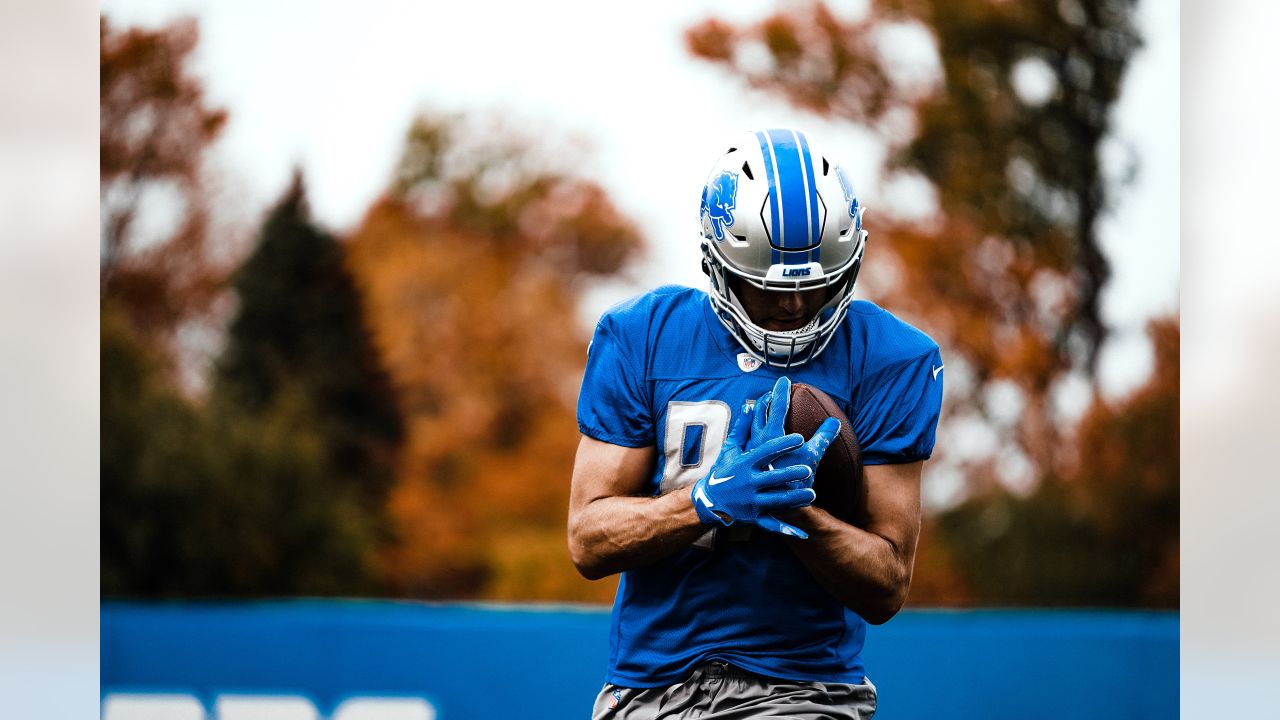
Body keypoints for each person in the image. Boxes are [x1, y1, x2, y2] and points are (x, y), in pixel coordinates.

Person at [568, 128, 943, 719]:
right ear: (715, 263)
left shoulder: (891, 357)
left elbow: (888, 583)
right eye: (767, 288)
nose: (794, 306)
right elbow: (587, 540)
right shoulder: (643, 336)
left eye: (816, 285)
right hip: (648, 686)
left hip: (802, 688)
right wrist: (705, 502)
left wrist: (800, 515)